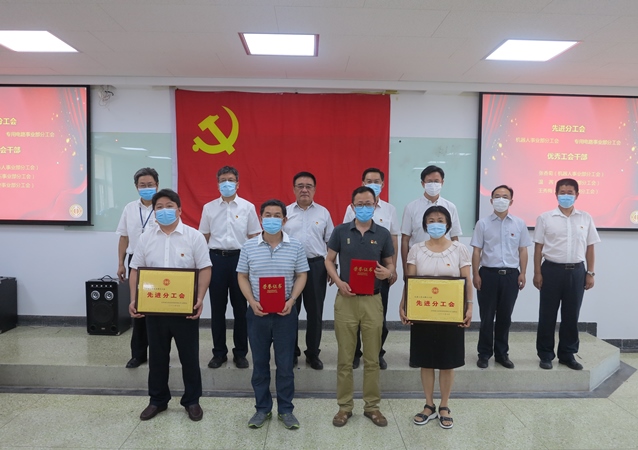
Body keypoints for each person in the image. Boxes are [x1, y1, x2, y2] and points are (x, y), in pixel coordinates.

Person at [128, 189, 212, 422]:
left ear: (179, 209)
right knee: (157, 357)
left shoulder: (194, 236)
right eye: (159, 207)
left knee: (189, 357)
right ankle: (157, 400)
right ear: (154, 212)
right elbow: (135, 270)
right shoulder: (146, 237)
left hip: (184, 309)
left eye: (169, 206)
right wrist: (134, 299)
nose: (164, 210)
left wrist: (200, 298)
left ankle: (192, 400)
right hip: (154, 309)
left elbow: (205, 268)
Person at [326, 186, 395, 428]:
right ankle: (344, 407)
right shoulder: (340, 230)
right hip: (346, 299)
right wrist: (338, 282)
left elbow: (390, 266)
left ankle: (372, 406)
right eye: (360, 204)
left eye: (368, 203)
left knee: (372, 358)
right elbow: (329, 260)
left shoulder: (383, 233)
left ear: (375, 205)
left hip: (372, 300)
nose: (364, 207)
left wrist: (388, 272)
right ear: (352, 206)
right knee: (345, 358)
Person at [237, 199, 309, 430]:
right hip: (257, 314)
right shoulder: (248, 246)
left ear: (284, 220)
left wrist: (292, 299)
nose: (272, 219)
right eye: (267, 215)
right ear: (260, 218)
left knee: (285, 365)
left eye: (277, 215)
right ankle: (262, 409)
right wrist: (252, 301)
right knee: (259, 364)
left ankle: (286, 410)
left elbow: (302, 274)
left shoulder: (295, 245)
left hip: (285, 314)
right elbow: (242, 276)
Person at [399, 205, 472, 430]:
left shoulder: (459, 249)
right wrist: (403, 304)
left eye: (440, 220)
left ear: (448, 224)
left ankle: (445, 405)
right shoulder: (416, 249)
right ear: (425, 225)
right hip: (423, 314)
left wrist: (469, 307)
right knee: (426, 360)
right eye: (431, 220)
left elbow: (467, 281)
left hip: (451, 314)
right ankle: (429, 405)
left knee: (448, 362)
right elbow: (410, 281)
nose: (436, 224)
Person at [533, 178, 600, 371]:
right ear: (556, 194)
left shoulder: (585, 218)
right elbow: (538, 248)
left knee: (571, 316)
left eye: (570, 193)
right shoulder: (545, 218)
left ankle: (567, 354)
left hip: (577, 272)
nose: (566, 196)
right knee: (547, 315)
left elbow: (590, 248)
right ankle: (545, 354)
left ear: (577, 195)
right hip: (551, 270)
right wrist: (537, 272)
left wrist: (590, 272)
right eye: (562, 192)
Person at [198, 166, 261, 369]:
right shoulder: (209, 208)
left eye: (231, 180)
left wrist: (253, 263)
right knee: (217, 309)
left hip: (240, 260)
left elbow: (254, 236)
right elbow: (203, 237)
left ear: (237, 183)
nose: (227, 183)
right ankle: (219, 353)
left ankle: (240, 353)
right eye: (223, 180)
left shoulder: (247, 207)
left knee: (241, 309)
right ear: (218, 184)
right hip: (215, 259)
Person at [342, 168, 399, 370]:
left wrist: (392, 269)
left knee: (378, 315)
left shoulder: (390, 209)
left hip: (379, 271)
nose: (373, 184)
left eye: (376, 181)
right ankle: (355, 353)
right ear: (362, 182)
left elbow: (393, 239)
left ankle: (377, 353)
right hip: (356, 271)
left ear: (382, 184)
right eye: (369, 180)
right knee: (355, 315)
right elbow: (345, 237)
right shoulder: (353, 207)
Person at [471, 185, 531, 369]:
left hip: (511, 276)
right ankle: (484, 354)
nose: (501, 199)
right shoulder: (482, 224)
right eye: (497, 196)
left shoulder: (519, 224)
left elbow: (523, 250)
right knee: (487, 317)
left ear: (511, 201)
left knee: (505, 317)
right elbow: (476, 251)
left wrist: (523, 272)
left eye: (505, 196)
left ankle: (502, 354)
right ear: (491, 200)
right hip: (488, 275)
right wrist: (475, 274)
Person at [283, 172, 334, 370]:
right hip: (290, 268)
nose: (304, 190)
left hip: (316, 266)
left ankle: (313, 353)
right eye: (300, 186)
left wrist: (332, 268)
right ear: (294, 189)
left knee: (315, 312)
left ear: (314, 189)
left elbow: (331, 243)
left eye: (309, 186)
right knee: (290, 311)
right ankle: (291, 351)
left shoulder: (323, 213)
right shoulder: (285, 212)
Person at [116, 167, 159, 369]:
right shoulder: (129, 208)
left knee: (158, 310)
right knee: (138, 309)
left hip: (159, 263)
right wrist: (120, 263)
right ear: (136, 187)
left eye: (150, 184)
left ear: (157, 185)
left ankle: (159, 354)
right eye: (143, 185)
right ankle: (138, 354)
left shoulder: (164, 207)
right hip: (135, 261)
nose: (147, 188)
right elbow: (124, 238)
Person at [401, 165, 462, 276]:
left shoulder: (450, 207)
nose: (433, 184)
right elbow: (405, 240)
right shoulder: (411, 207)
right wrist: (406, 270)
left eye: (436, 181)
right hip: (418, 262)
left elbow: (454, 237)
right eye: (429, 181)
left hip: (446, 262)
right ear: (422, 183)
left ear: (442, 182)